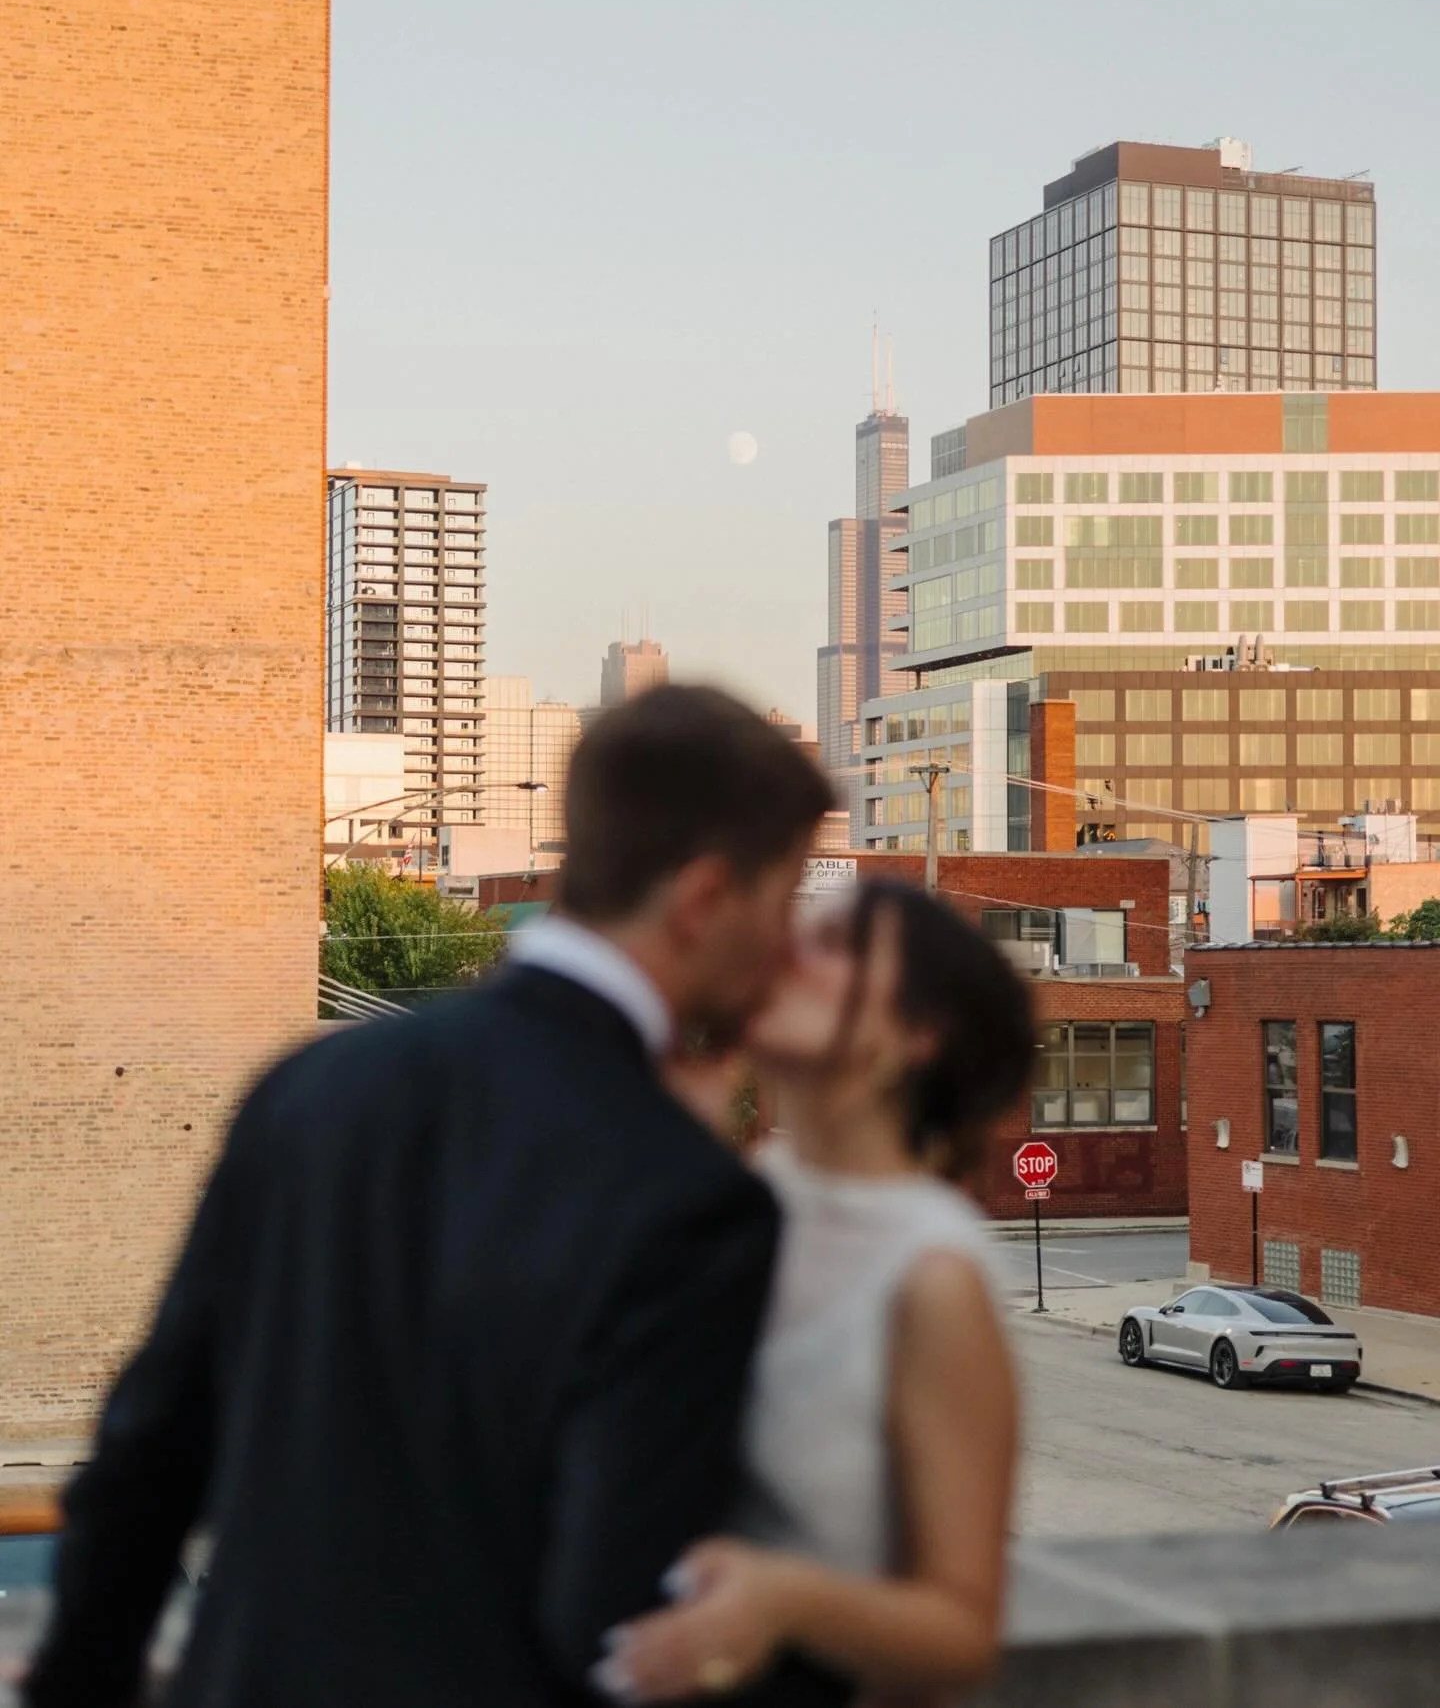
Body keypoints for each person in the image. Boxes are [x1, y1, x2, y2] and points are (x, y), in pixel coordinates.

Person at [23, 685, 845, 1708]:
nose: (789, 952)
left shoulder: (312, 1087)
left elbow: (146, 1456)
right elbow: (616, 1611)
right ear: (703, 898)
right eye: (784, 902)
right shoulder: (686, 1195)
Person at [596, 880, 1035, 1704]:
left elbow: (963, 1632)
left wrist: (783, 1599)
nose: (785, 953)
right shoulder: (727, 1196)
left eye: (833, 943)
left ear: (917, 1032)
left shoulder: (932, 1274)